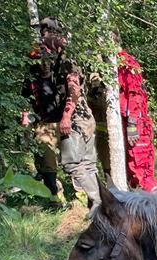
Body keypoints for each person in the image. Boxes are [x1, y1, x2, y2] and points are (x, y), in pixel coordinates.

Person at [21, 17, 100, 207]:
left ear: (55, 34)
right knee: (48, 160)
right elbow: (26, 87)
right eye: (41, 32)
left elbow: (74, 90)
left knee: (79, 163)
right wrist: (25, 115)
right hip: (46, 117)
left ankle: (95, 202)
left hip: (73, 117)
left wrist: (66, 117)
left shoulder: (67, 57)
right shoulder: (36, 57)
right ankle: (55, 198)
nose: (42, 35)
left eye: (45, 31)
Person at [89, 39, 157, 193]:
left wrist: (132, 124)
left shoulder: (127, 64)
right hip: (124, 122)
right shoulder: (110, 66)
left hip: (136, 124)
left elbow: (136, 96)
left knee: (140, 170)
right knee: (129, 171)